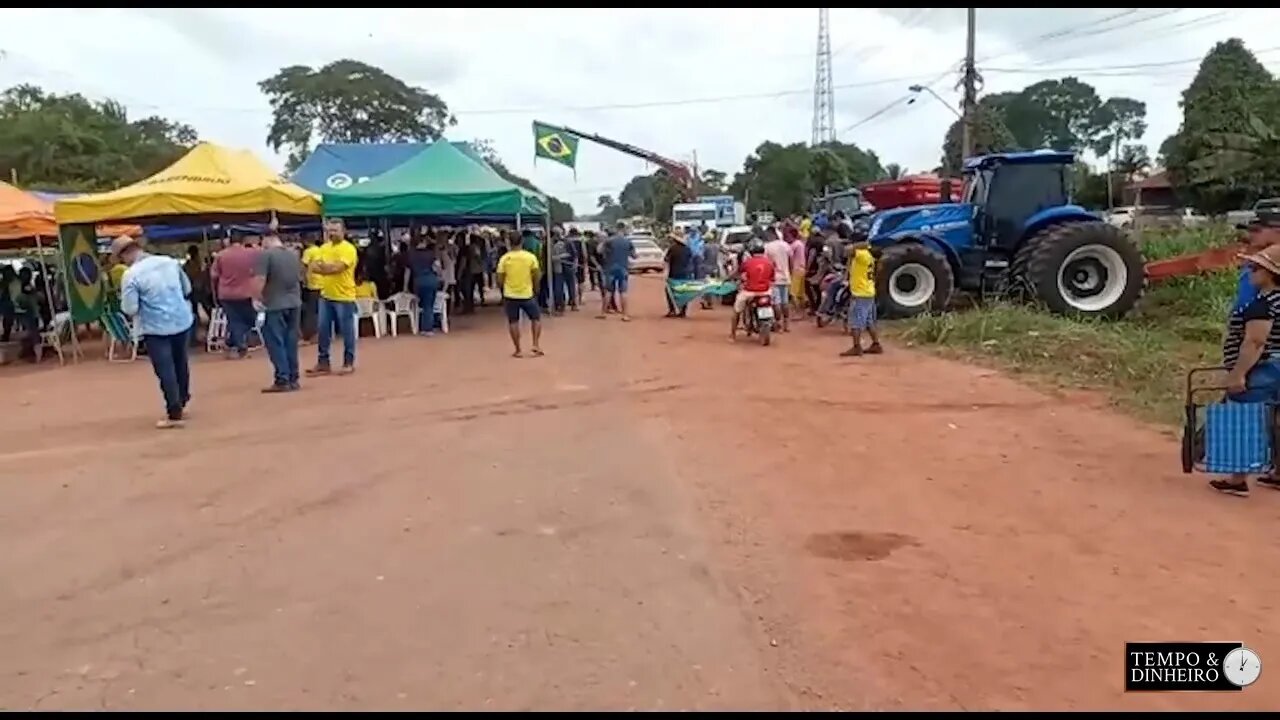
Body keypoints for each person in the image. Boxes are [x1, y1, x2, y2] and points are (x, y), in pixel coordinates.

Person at [1209, 243, 1280, 495]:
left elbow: (1255, 342)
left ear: (1270, 274)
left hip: (1266, 367)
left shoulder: (1262, 305)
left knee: (1245, 412)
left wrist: (1238, 373)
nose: (1250, 271)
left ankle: (1237, 478)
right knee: (1276, 418)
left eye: (1255, 267)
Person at [115, 235, 194, 430]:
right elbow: (187, 288)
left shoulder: (131, 275)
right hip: (181, 319)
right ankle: (182, 397)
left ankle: (174, 410)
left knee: (165, 368)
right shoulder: (169, 262)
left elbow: (130, 308)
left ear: (125, 255)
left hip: (155, 326)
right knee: (180, 361)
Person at [251, 233, 303, 393]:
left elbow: (260, 279)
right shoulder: (293, 255)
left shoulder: (265, 255)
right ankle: (293, 377)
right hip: (294, 302)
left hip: (274, 304)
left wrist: (255, 298)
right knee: (291, 341)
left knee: (275, 342)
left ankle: (282, 378)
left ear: (266, 240)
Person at [307, 219, 359, 376]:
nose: (332, 233)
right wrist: (327, 268)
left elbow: (338, 268)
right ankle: (323, 362)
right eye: (330, 230)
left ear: (344, 231)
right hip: (326, 295)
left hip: (344, 296)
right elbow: (313, 267)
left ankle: (348, 362)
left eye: (335, 230)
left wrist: (324, 268)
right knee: (323, 330)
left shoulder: (348, 249)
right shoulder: (323, 248)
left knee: (346, 331)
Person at [210, 235, 261, 359]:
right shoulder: (252, 253)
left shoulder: (221, 255)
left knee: (234, 320)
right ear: (242, 241)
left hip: (227, 293)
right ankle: (238, 343)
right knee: (250, 319)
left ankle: (235, 342)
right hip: (247, 292)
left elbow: (213, 275)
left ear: (229, 241)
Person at [496, 232, 543, 358]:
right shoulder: (530, 257)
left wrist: (503, 289)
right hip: (527, 293)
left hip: (510, 294)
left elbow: (500, 278)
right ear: (522, 241)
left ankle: (518, 349)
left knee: (513, 321)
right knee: (536, 318)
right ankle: (536, 344)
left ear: (509, 242)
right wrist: (536, 287)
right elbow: (537, 274)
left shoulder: (505, 258)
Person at [841, 237, 883, 357]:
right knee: (869, 321)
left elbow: (847, 250)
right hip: (868, 291)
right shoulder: (869, 256)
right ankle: (876, 344)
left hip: (861, 292)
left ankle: (857, 347)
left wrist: (860, 245)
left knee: (856, 321)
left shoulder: (862, 254)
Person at [731, 239, 775, 341]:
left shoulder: (747, 262)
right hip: (766, 291)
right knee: (773, 303)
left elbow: (737, 273)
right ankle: (776, 322)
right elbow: (772, 278)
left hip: (749, 291)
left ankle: (733, 334)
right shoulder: (769, 263)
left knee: (736, 311)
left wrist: (727, 279)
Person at [598, 222, 635, 321]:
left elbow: (599, 251)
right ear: (624, 229)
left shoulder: (609, 241)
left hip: (610, 268)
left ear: (616, 229)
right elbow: (634, 256)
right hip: (623, 269)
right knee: (623, 292)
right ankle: (625, 315)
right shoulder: (628, 242)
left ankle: (603, 313)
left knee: (609, 291)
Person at [405, 234, 441, 336]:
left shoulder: (411, 255)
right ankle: (428, 328)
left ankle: (419, 324)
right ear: (424, 242)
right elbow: (437, 267)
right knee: (429, 305)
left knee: (420, 303)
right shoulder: (431, 254)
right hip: (431, 280)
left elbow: (407, 272)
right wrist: (439, 275)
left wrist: (405, 286)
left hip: (418, 281)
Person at [762, 226, 792, 332]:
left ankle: (778, 323)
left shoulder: (768, 247)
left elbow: (766, 264)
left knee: (776, 303)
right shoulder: (786, 245)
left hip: (774, 278)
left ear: (771, 234)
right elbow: (790, 260)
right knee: (785, 302)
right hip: (786, 276)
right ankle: (786, 324)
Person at [299, 237, 325, 343]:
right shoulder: (321, 250)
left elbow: (303, 267)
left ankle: (311, 335)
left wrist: (303, 279)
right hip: (323, 284)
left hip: (313, 284)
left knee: (311, 311)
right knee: (320, 311)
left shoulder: (308, 252)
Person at [664, 230, 694, 318]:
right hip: (686, 273)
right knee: (684, 292)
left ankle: (672, 310)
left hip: (674, 273)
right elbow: (690, 259)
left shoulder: (672, 248)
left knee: (670, 291)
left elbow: (666, 260)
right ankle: (683, 311)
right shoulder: (688, 249)